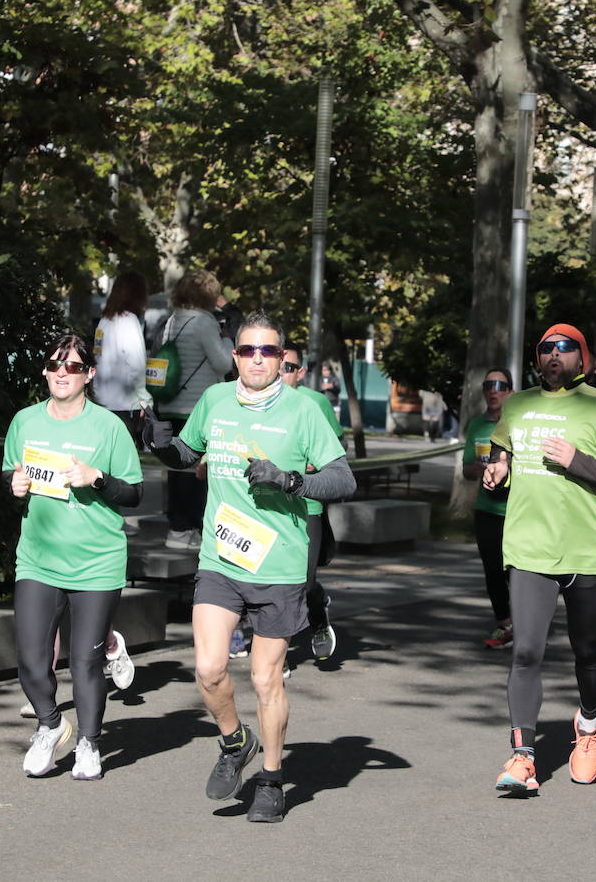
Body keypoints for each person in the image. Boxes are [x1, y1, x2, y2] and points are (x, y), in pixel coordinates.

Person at [145, 311, 356, 822]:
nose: (257, 359)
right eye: (246, 350)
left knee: (265, 680)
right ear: (234, 356)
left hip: (279, 563)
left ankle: (272, 778)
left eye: (267, 351)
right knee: (210, 668)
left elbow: (343, 479)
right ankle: (235, 741)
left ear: (282, 358)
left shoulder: (304, 410)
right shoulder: (216, 401)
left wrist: (290, 481)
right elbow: (185, 452)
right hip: (221, 557)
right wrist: (157, 443)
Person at [482, 323, 596, 794]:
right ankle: (523, 758)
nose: (554, 354)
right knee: (527, 652)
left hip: (584, 554)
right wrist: (498, 470)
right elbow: (502, 456)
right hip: (528, 549)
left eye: (565, 347)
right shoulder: (517, 406)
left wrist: (579, 461)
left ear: (583, 358)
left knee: (588, 651)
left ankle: (589, 728)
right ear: (537, 360)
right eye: (545, 348)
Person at [4, 332, 144, 780]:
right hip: (38, 559)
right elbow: (12, 470)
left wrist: (96, 478)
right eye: (54, 365)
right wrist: (14, 485)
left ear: (89, 374)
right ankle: (50, 725)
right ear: (45, 371)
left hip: (96, 562)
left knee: (85, 660)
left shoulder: (108, 427)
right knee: (30, 657)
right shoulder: (24, 420)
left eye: (73, 366)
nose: (62, 373)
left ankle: (89, 742)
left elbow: (135, 492)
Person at [156, 270, 234, 550]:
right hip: (197, 407)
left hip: (170, 403)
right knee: (199, 471)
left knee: (177, 469)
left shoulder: (171, 321)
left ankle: (177, 527)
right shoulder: (205, 322)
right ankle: (189, 527)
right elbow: (223, 364)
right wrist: (227, 339)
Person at [281, 341, 348, 661]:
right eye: (279, 365)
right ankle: (267, 653)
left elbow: (337, 451)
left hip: (307, 505)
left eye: (290, 368)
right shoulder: (254, 403)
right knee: (266, 581)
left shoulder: (315, 403)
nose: (282, 373)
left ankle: (318, 610)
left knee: (304, 584)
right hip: (269, 505)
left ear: (301, 373)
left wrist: (316, 465)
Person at [461, 367, 515, 648]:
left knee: (515, 572)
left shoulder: (518, 424)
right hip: (486, 510)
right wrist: (482, 467)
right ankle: (504, 624)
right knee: (492, 570)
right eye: (488, 385)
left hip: (516, 511)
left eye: (500, 385)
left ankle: (525, 622)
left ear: (510, 392)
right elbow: (467, 469)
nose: (493, 390)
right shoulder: (477, 426)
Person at [93, 271, 153, 446]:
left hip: (102, 402)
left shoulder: (104, 321)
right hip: (126, 405)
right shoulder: (129, 320)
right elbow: (136, 364)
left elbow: (97, 358)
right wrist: (145, 401)